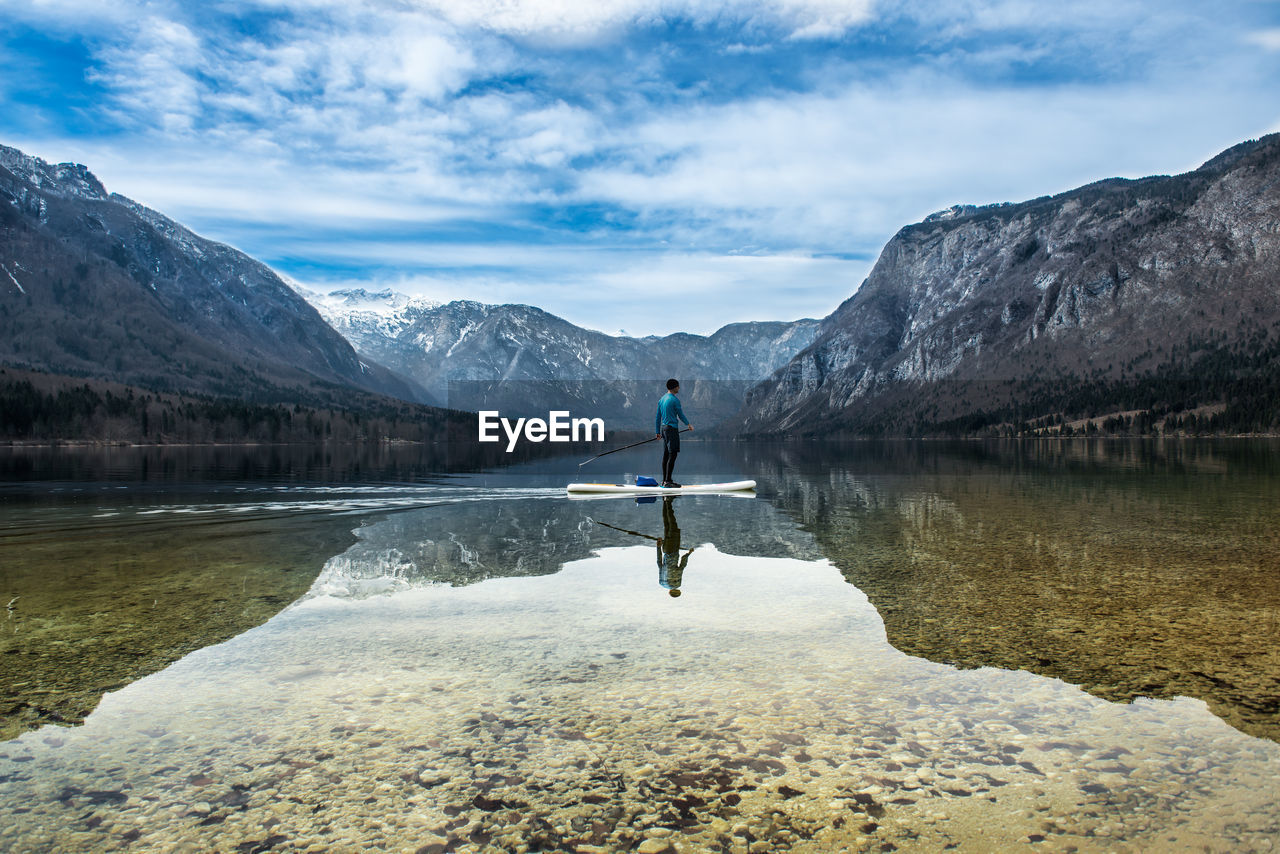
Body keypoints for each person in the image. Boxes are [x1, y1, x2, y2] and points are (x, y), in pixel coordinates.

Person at [654, 378, 692, 488]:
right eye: (678, 386)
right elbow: (680, 415)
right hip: (672, 429)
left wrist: (657, 432)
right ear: (674, 387)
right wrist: (688, 424)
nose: (679, 388)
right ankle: (668, 481)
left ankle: (664, 481)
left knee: (666, 454)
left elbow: (658, 418)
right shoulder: (675, 400)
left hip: (664, 429)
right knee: (673, 454)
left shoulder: (661, 399)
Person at [656, 497, 693, 597]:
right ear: (669, 592)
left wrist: (689, 553)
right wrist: (658, 547)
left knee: (673, 526)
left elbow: (682, 565)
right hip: (665, 549)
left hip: (673, 549)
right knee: (667, 525)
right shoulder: (662, 580)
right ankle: (665, 502)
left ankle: (668, 502)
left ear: (677, 591)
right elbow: (659, 563)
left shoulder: (677, 582)